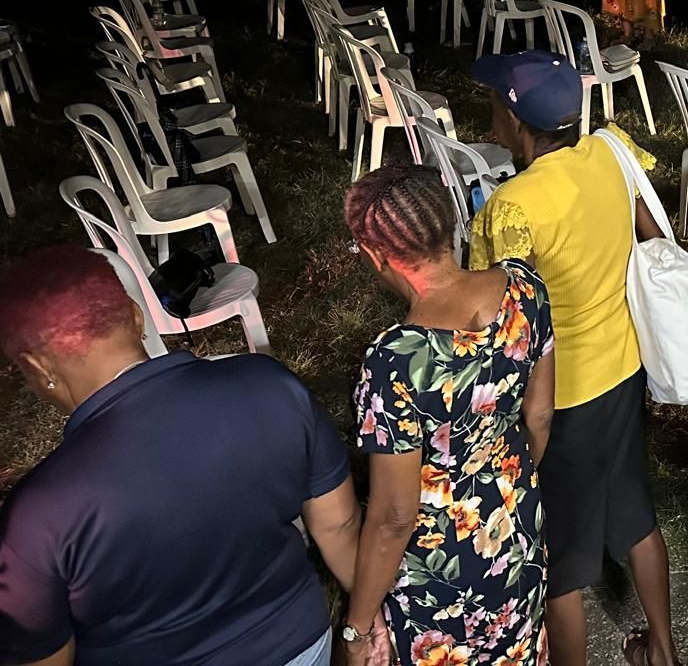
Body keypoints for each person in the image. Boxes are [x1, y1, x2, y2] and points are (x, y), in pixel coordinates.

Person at [0, 245, 362, 666]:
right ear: (137, 317)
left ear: (38, 368)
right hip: (301, 645)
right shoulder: (271, 385)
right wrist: (368, 624)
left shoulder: (35, 517)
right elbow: (340, 525)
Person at [469, 50, 681, 666]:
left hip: (560, 391)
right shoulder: (610, 151)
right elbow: (651, 234)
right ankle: (663, 650)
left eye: (494, 111)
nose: (489, 124)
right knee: (634, 509)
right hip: (625, 365)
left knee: (559, 560)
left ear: (517, 122)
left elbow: (500, 313)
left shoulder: (514, 205)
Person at [345, 165, 555, 665]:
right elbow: (540, 416)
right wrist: (507, 488)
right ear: (449, 225)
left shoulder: (396, 358)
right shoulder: (524, 288)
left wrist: (356, 629)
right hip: (515, 533)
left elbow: (395, 516)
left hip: (440, 577)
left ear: (377, 256)